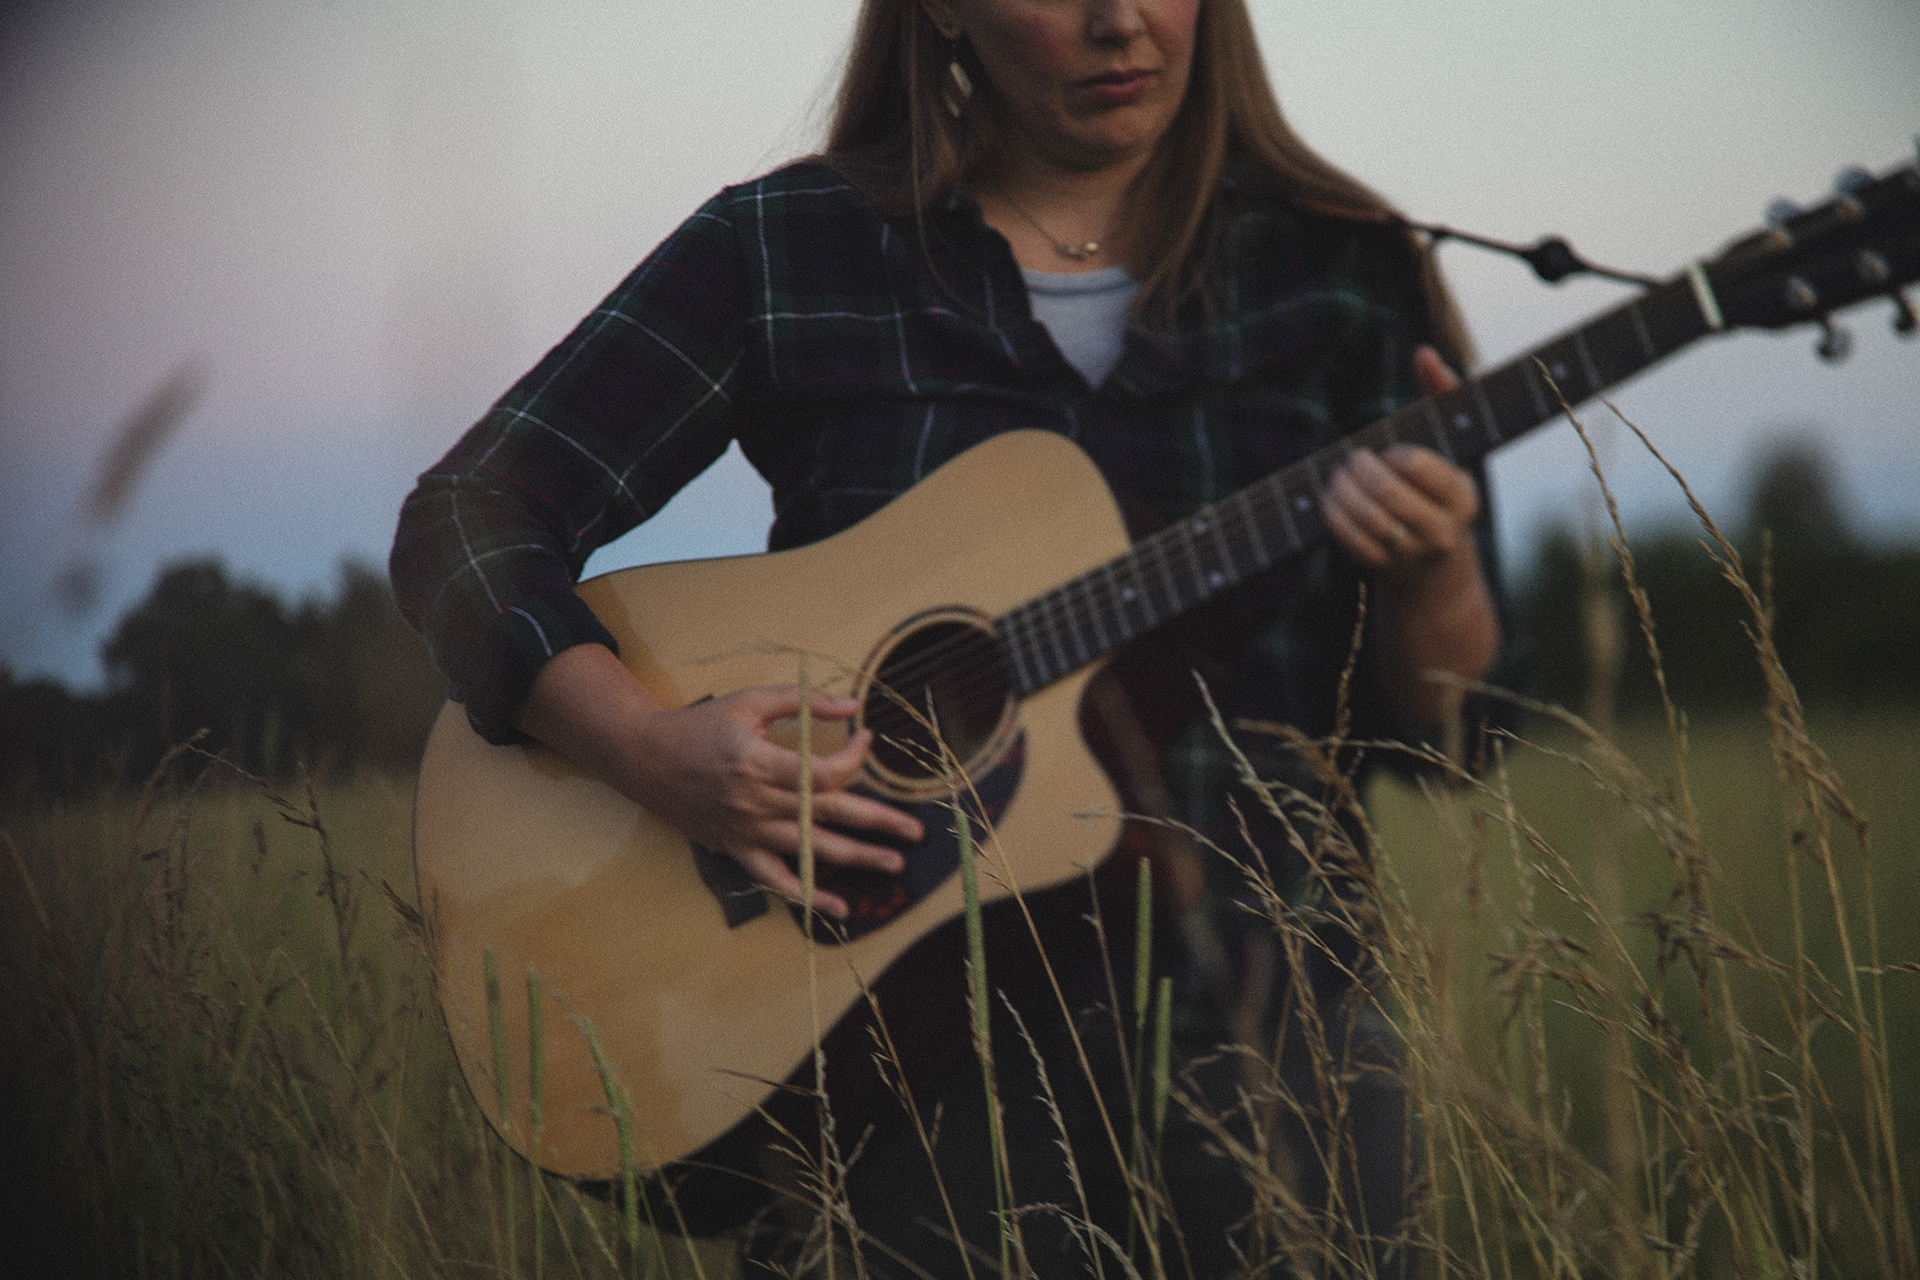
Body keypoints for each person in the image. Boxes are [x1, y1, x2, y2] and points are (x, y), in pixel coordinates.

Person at [391, 1, 1517, 1275]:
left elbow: (1451, 742)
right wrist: (652, 751)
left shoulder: (1343, 267)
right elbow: (465, 524)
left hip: (1276, 1035)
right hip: (892, 1068)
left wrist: (1434, 579)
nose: (1120, 20)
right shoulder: (789, 249)